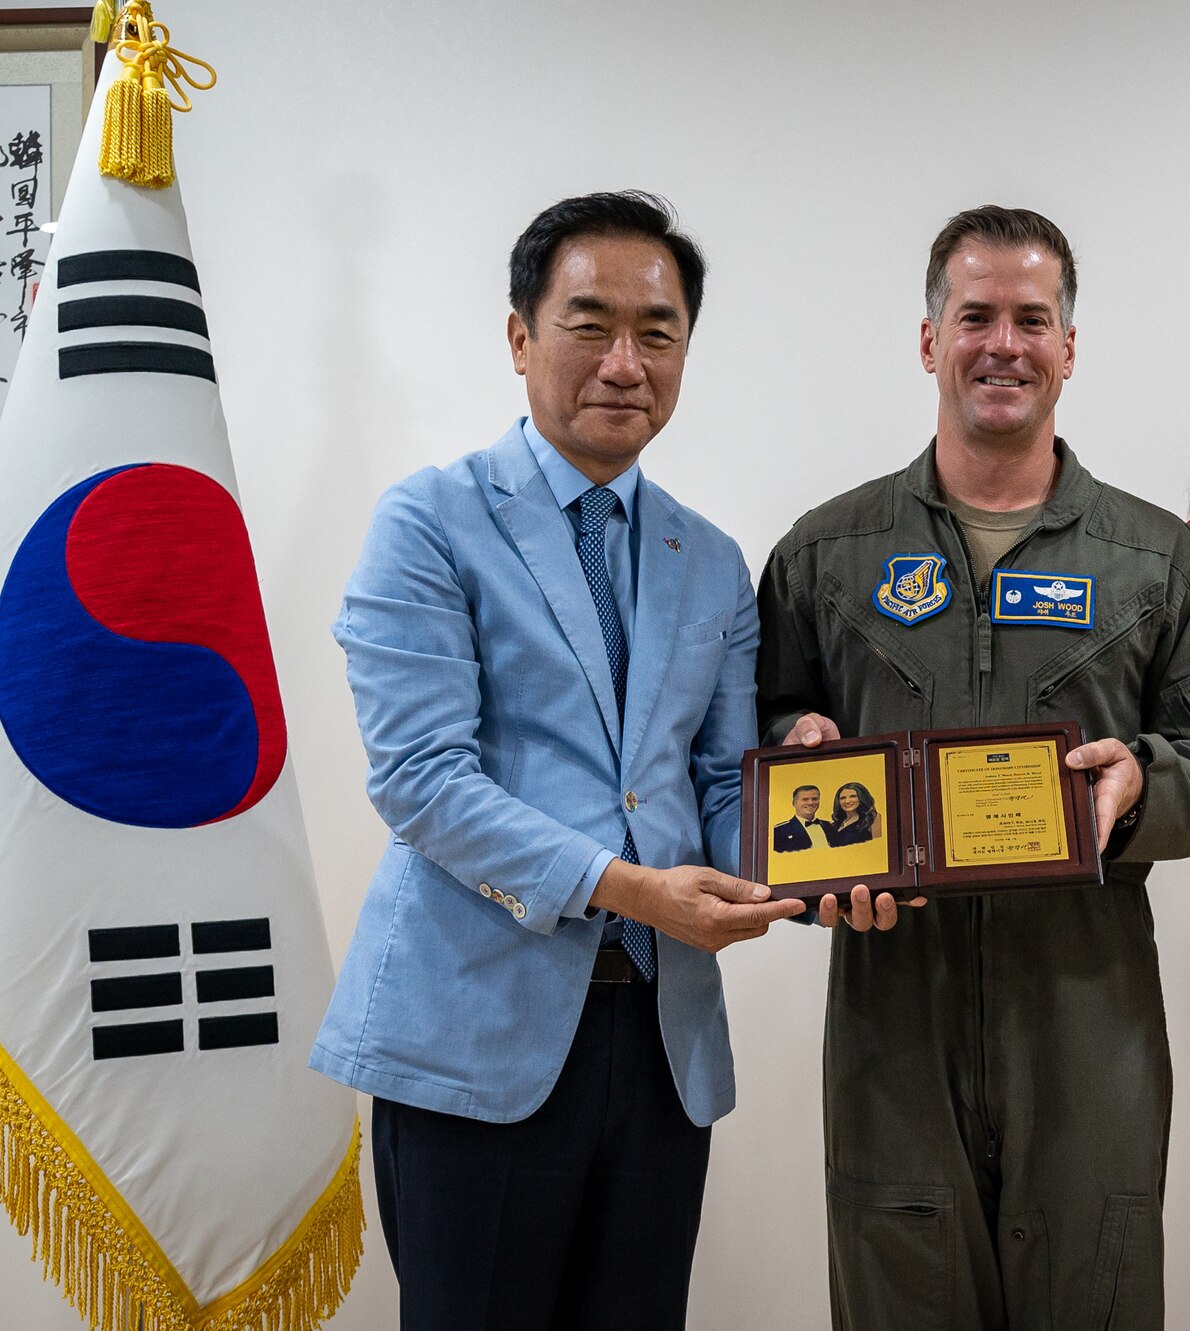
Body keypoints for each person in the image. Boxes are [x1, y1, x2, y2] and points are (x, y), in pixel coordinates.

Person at [757, 204, 1190, 1330]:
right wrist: (795, 776)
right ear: (928, 339)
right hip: (893, 1017)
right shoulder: (823, 556)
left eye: (1030, 318)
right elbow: (756, 748)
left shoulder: (1150, 558)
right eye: (974, 314)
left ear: (1068, 349)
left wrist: (1136, 785)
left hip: (1086, 1018)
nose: (1003, 342)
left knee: (1095, 1288)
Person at [309, 191, 806, 1331]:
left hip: (661, 1041)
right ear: (520, 334)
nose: (625, 362)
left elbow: (724, 784)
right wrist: (631, 888)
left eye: (658, 331)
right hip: (472, 1031)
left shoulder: (710, 556)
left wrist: (827, 850)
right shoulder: (428, 521)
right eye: (589, 323)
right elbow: (422, 778)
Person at [773, 784, 833, 851]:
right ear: (794, 803)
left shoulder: (830, 826)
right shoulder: (779, 831)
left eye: (814, 799)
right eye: (805, 799)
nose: (810, 803)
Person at [826, 781, 881, 845]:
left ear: (861, 799)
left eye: (853, 796)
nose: (847, 801)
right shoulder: (834, 825)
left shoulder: (873, 818)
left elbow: (878, 846)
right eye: (843, 798)